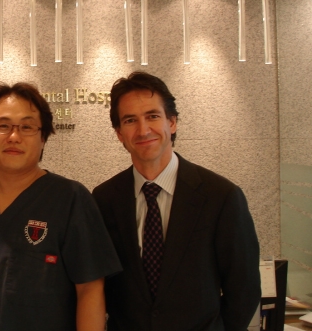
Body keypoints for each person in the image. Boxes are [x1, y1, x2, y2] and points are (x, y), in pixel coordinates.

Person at [93, 72, 261, 331]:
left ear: (172, 122)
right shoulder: (103, 199)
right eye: (130, 120)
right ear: (119, 133)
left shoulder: (221, 197)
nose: (143, 130)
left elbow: (244, 289)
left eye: (152, 116)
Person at [0, 82, 121, 331]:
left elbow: (90, 288)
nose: (14, 137)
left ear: (43, 137)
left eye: (27, 127)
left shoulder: (71, 199)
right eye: (3, 126)